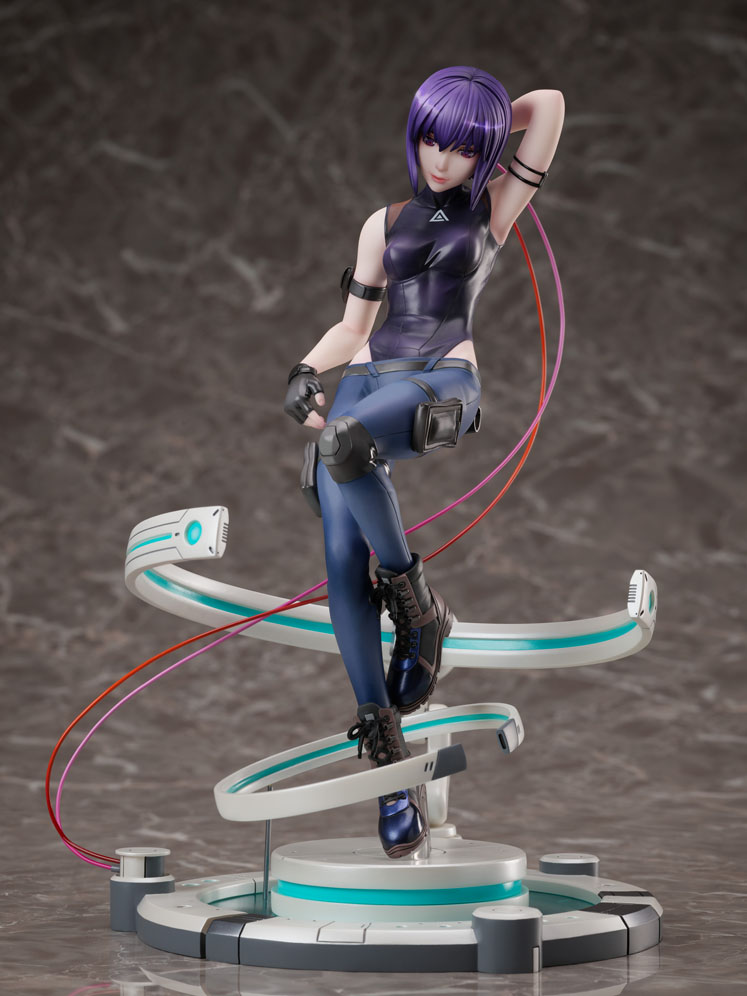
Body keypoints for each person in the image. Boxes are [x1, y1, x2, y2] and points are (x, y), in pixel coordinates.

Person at [284, 67, 564, 859]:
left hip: (442, 378)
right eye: (432, 140)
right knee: (340, 562)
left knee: (344, 444)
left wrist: (480, 117)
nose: (443, 159)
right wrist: (305, 369)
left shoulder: (494, 206)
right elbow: (352, 327)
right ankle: (388, 764)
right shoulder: (382, 223)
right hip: (368, 376)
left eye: (462, 147)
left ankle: (414, 605)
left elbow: (548, 107)